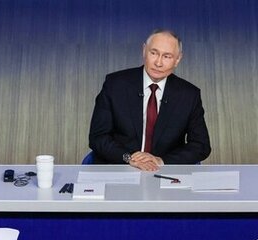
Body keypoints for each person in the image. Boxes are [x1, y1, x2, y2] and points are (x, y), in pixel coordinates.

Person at [88, 29, 211, 171]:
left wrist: (161, 161)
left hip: (163, 171)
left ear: (177, 59)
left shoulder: (189, 95)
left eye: (167, 56)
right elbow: (98, 137)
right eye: (154, 53)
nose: (158, 63)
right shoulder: (115, 84)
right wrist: (129, 158)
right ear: (144, 50)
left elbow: (201, 145)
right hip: (120, 166)